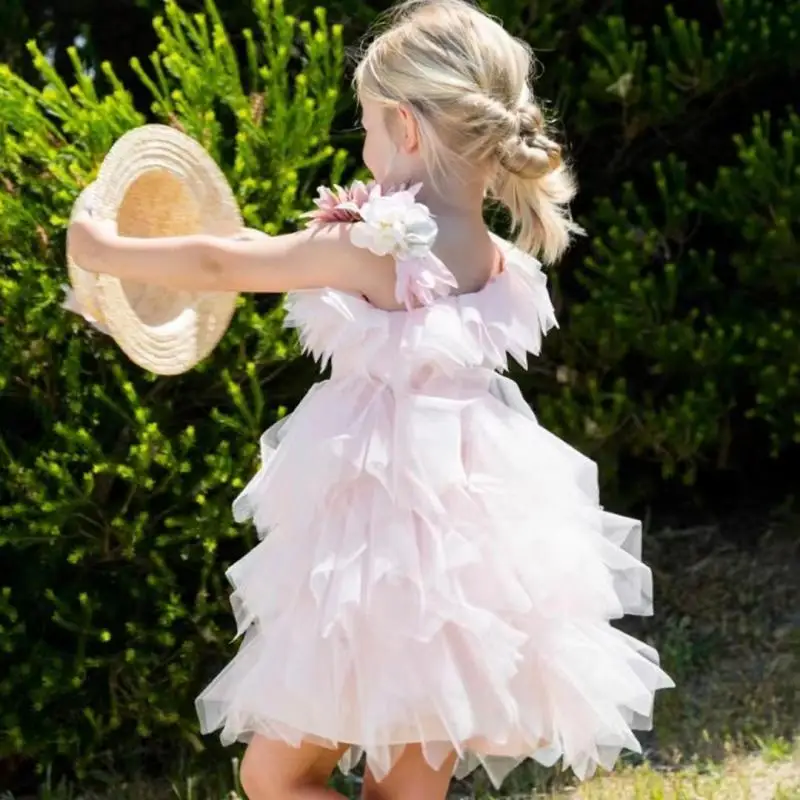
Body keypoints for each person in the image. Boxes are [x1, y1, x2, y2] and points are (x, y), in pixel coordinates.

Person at [68, 0, 674, 797]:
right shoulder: (489, 254)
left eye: (365, 127)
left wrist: (103, 248)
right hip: (467, 575)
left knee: (274, 777)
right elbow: (276, 256)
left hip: (370, 561)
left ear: (406, 128)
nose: (362, 146)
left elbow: (220, 268)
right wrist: (274, 248)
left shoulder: (376, 242)